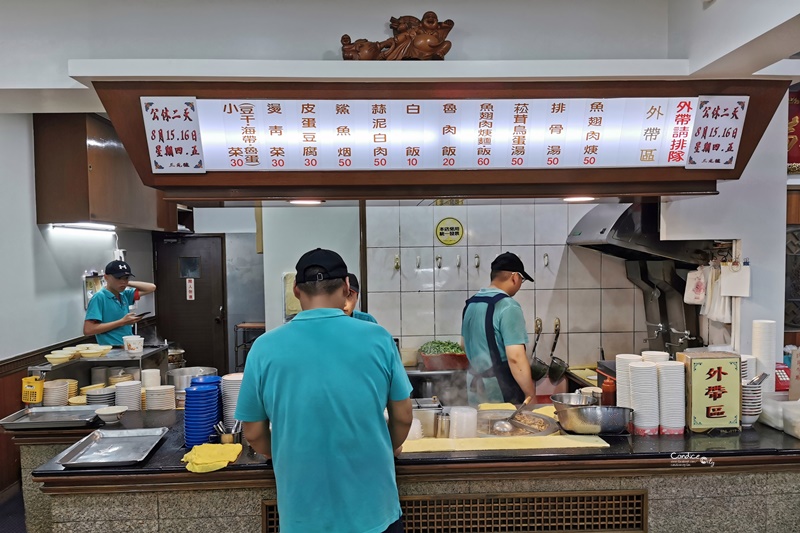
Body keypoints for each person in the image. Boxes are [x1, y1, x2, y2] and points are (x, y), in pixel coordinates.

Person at [236, 248, 413, 533]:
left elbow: (254, 433)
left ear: (296, 290)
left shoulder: (264, 347)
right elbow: (403, 416)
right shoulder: (378, 338)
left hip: (303, 516)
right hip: (374, 512)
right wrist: (381, 448)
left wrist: (284, 453)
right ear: (346, 287)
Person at [461, 252, 535, 406]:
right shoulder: (508, 306)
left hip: (474, 385)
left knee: (480, 427)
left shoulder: (471, 303)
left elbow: (463, 345)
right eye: (522, 279)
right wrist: (530, 393)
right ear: (515, 277)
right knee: (505, 428)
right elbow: (515, 357)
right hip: (498, 389)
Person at [83, 260, 156, 346]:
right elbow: (88, 330)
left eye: (126, 278)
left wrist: (126, 283)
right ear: (106, 277)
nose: (123, 281)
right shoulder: (99, 298)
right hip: (112, 351)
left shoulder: (124, 294)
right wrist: (122, 322)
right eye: (118, 278)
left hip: (128, 346)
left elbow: (151, 287)